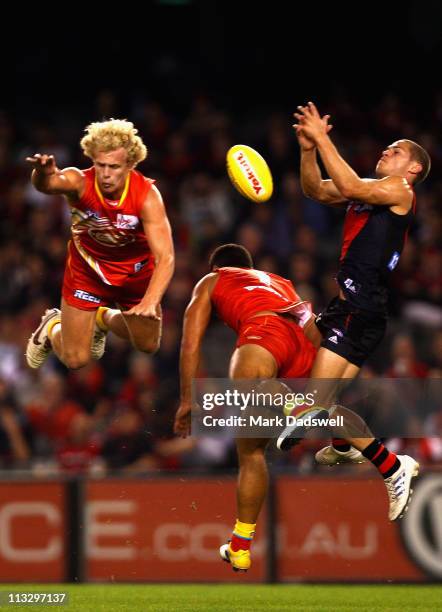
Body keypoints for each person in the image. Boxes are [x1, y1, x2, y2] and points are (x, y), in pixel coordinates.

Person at [277, 102, 431, 520]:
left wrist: (323, 138)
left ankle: (391, 465)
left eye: (396, 150)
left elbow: (345, 183)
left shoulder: (400, 192)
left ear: (413, 168)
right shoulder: (367, 193)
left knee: (308, 406)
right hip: (351, 308)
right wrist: (308, 148)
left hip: (360, 309)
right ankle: (352, 448)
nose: (387, 151)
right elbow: (316, 190)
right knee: (314, 398)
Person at [173, 243, 318, 572]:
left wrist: (187, 399)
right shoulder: (280, 281)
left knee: (244, 381)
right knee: (249, 447)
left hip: (267, 330)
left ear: (217, 268)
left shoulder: (213, 280)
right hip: (305, 343)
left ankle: (295, 408)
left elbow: (190, 342)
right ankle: (240, 544)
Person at [25, 119, 174, 371]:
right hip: (88, 272)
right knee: (76, 359)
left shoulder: (147, 196)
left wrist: (151, 300)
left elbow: (166, 257)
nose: (105, 174)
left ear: (129, 164)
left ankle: (101, 318)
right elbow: (49, 185)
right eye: (100, 165)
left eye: (114, 167)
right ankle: (52, 326)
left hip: (134, 276)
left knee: (148, 344)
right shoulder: (79, 181)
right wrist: (42, 173)